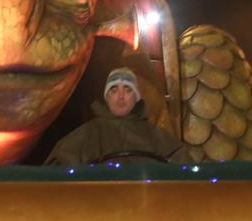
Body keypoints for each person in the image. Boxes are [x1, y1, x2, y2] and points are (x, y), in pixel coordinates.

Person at [45, 68, 183, 165]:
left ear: (136, 98)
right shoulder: (87, 134)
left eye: (128, 90)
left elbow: (186, 172)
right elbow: (56, 173)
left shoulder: (158, 137)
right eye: (114, 89)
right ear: (107, 97)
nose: (121, 96)